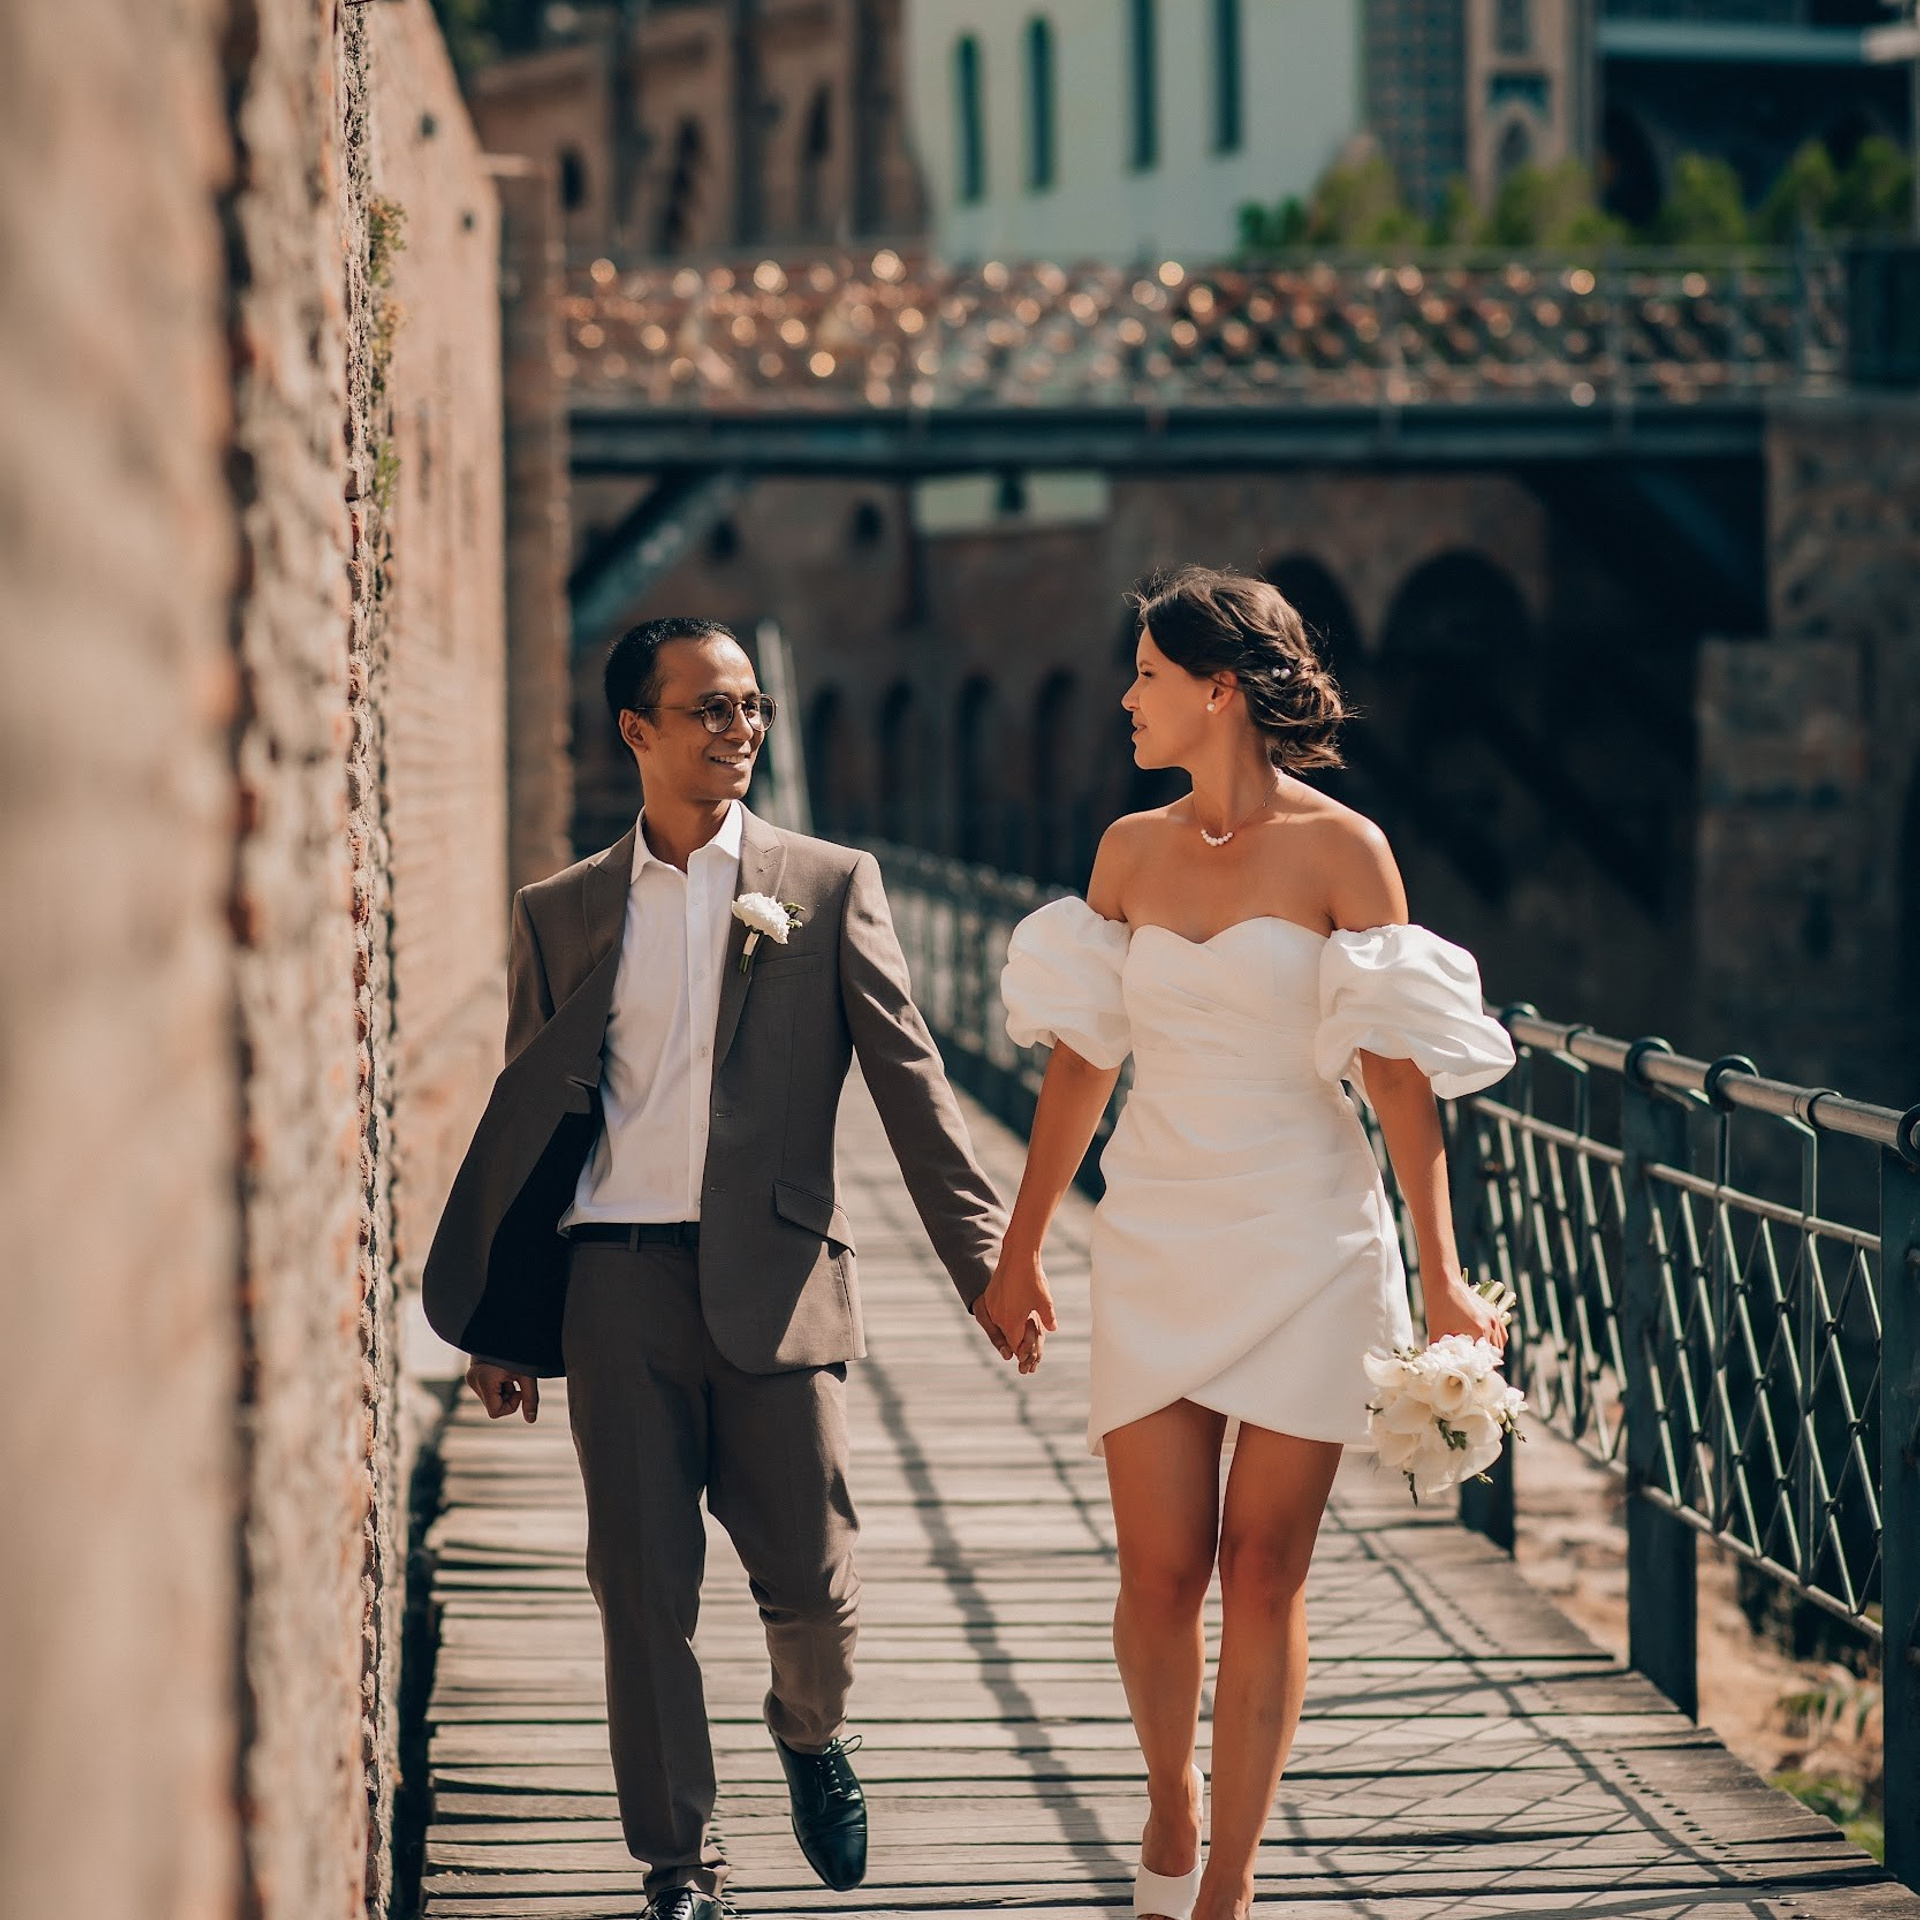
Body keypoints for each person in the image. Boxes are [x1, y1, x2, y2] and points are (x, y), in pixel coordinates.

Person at [423, 616, 1016, 1920]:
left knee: (812, 1584)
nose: (738, 729)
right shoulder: (564, 913)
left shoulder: (829, 883)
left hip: (784, 1279)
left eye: (749, 706)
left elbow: (914, 1088)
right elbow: (532, 1129)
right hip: (615, 1285)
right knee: (642, 1596)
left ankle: (812, 1736)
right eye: (706, 708)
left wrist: (987, 1259)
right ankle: (678, 1870)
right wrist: (504, 1326)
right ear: (637, 730)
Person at [981, 566, 1515, 1920]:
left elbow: (1395, 1077)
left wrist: (1442, 1273)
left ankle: (1229, 1883)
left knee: (1261, 1572)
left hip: (1314, 1240)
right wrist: (1023, 1246)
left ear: (1219, 691)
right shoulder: (1127, 852)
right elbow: (1081, 1067)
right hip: (1159, 1231)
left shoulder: (1349, 853)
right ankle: (1172, 1796)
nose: (1127, 697)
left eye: (1149, 676)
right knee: (1160, 1574)